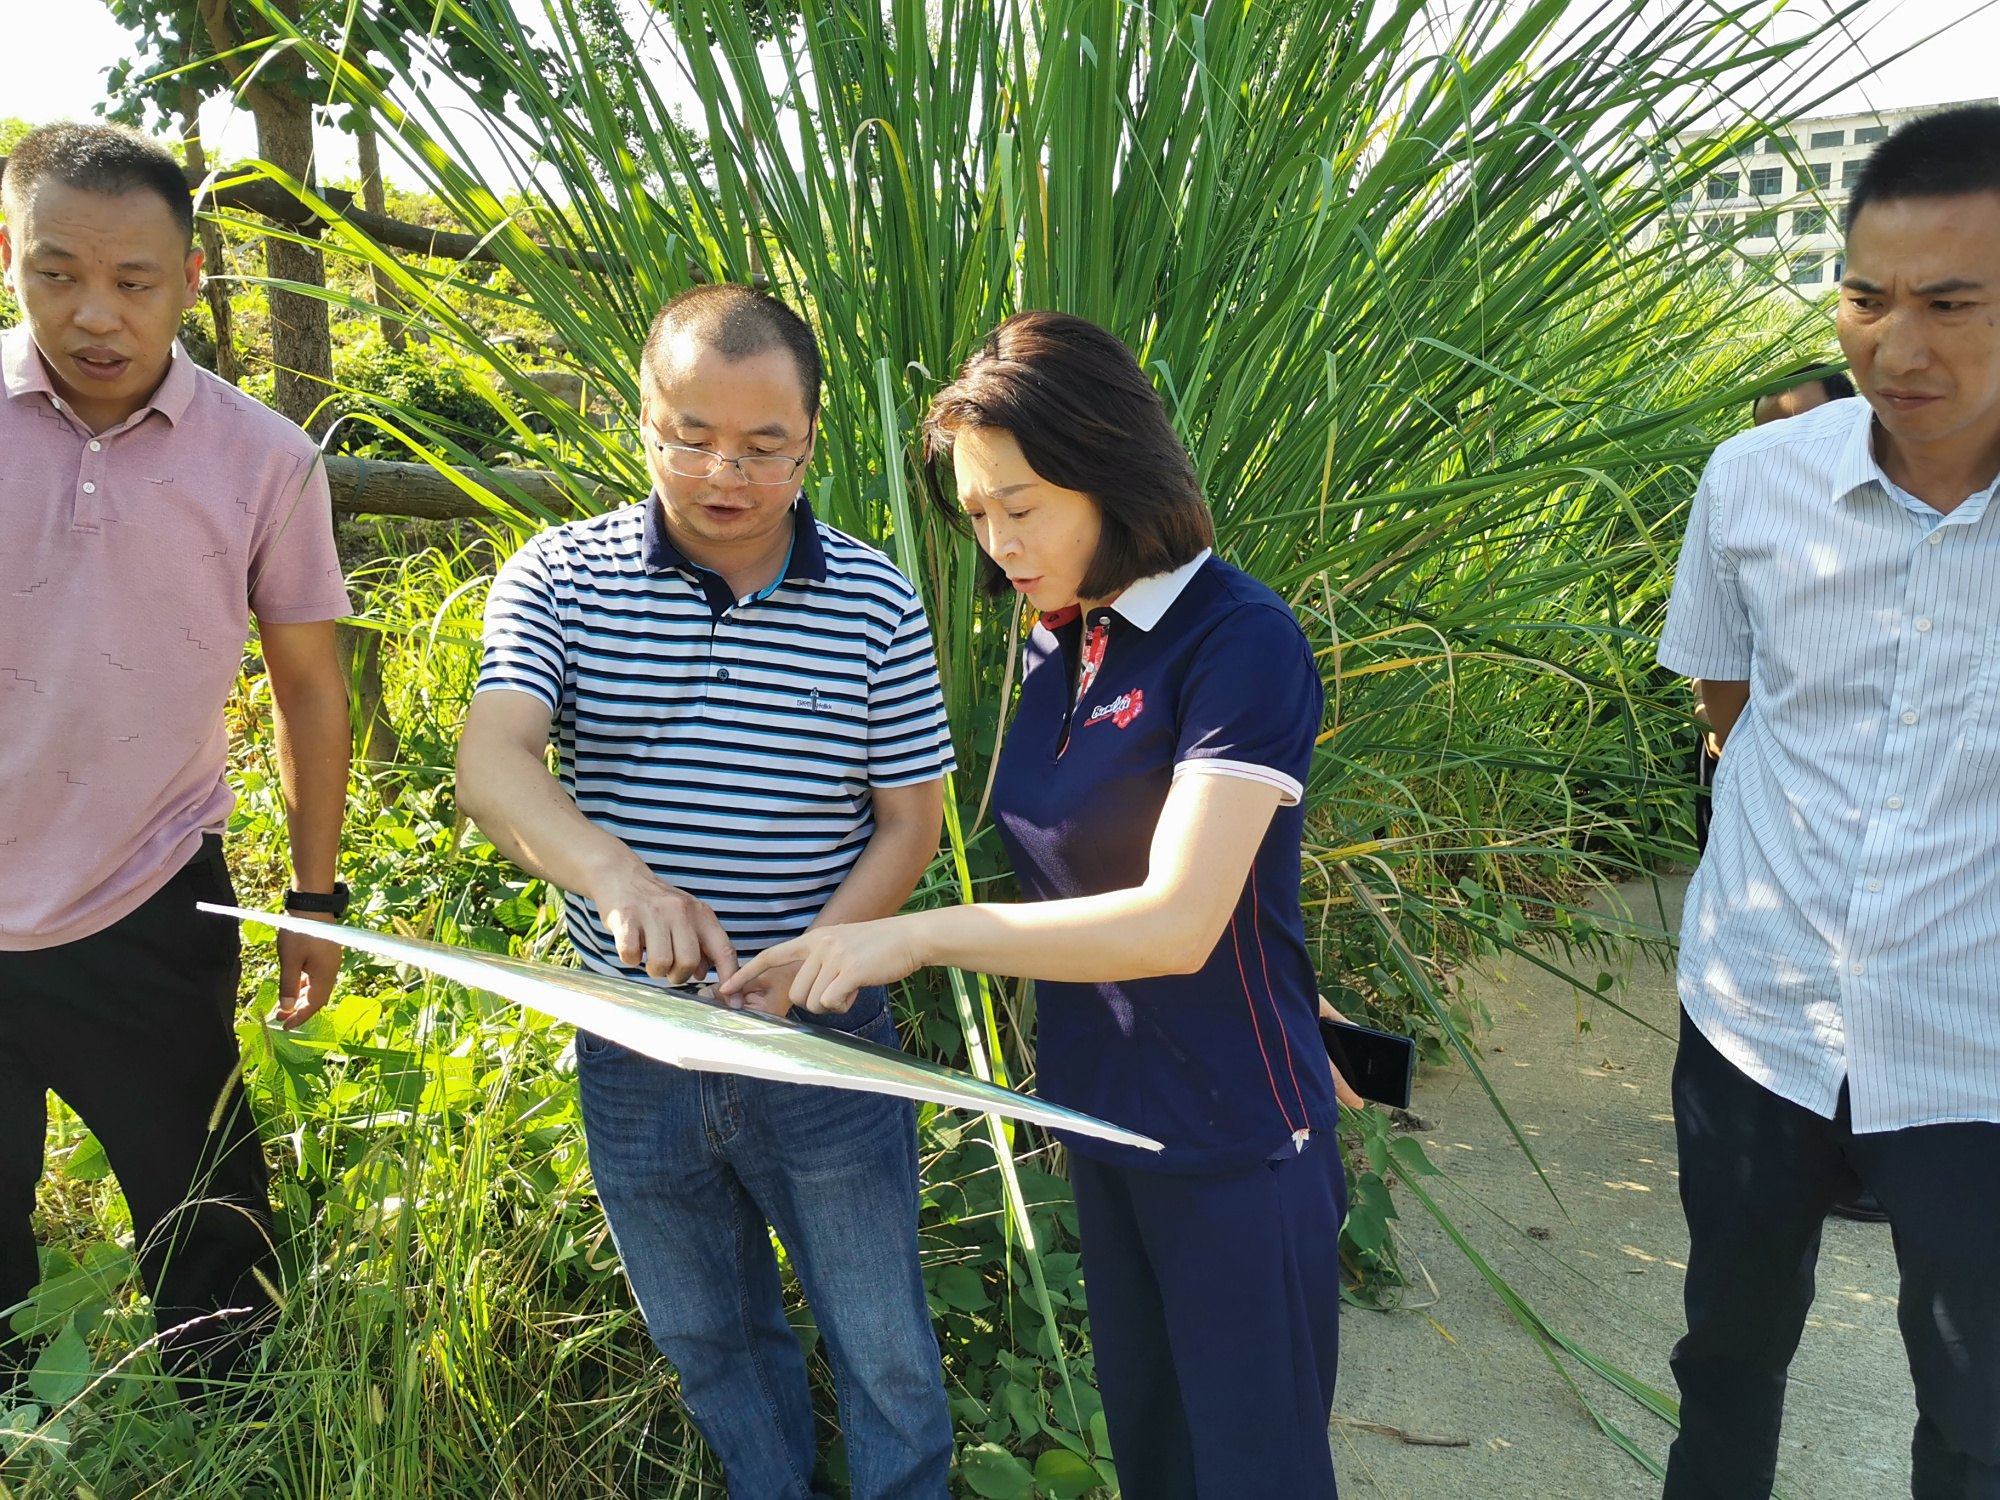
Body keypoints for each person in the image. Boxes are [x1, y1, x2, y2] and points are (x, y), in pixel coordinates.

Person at [725, 310, 1352, 1500]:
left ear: (1111, 468)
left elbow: (1175, 922)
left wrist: (909, 936)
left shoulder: (1239, 641)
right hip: (1106, 1124)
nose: (998, 542)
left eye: (1021, 506)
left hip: (1231, 1138)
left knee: (1255, 1473)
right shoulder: (1056, 644)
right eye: (974, 515)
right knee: (1159, 1464)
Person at [455, 283, 956, 1498]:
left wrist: (818, 959)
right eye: (688, 435)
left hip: (826, 1040)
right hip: (636, 1038)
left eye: (762, 446)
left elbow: (910, 825)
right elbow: (491, 763)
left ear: (810, 443)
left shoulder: (875, 600)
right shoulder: (560, 578)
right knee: (709, 1340)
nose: (722, 471)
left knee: (883, 1341)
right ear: (641, 423)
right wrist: (619, 881)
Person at [1656, 103, 2000, 1499]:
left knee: (1978, 1414)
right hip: (1759, 1013)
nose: (1895, 347)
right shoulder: (1755, 481)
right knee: (1726, 1356)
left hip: (1975, 1046)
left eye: (1953, 304)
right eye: (1867, 297)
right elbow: (1726, 711)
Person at [0, 123, 353, 1381]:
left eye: (134, 282)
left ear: (194, 276)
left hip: (146, 892)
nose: (95, 314)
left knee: (206, 1224)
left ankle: (239, 1429)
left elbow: (310, 690)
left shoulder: (261, 457)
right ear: (8, 257)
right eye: (56, 274)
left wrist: (314, 898)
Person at [1700, 361, 1885, 1225]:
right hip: (1763, 960)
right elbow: (1722, 686)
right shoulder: (1745, 492)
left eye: (1798, 420)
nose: (1781, 439)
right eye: (1766, 420)